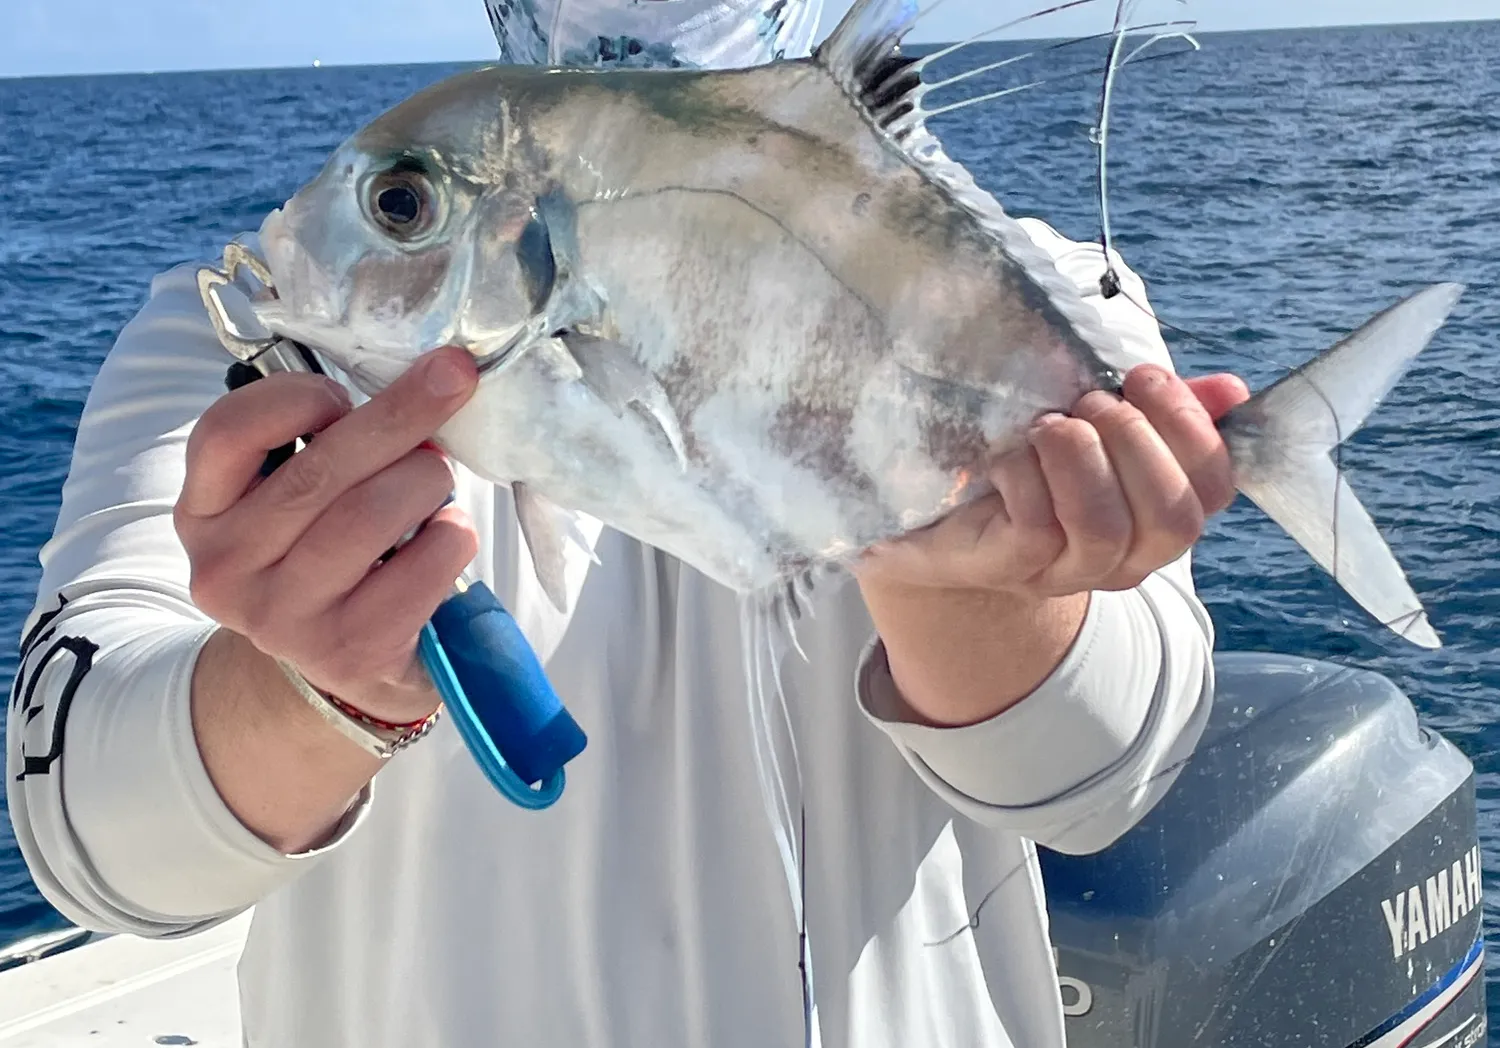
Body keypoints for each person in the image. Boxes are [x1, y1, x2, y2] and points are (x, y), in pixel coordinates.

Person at [5, 1, 1251, 1045]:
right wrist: (301, 688)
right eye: (399, 210)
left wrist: (961, 574)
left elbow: (1102, 782)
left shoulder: (1024, 299)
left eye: (395, 210)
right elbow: (88, 837)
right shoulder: (246, 349)